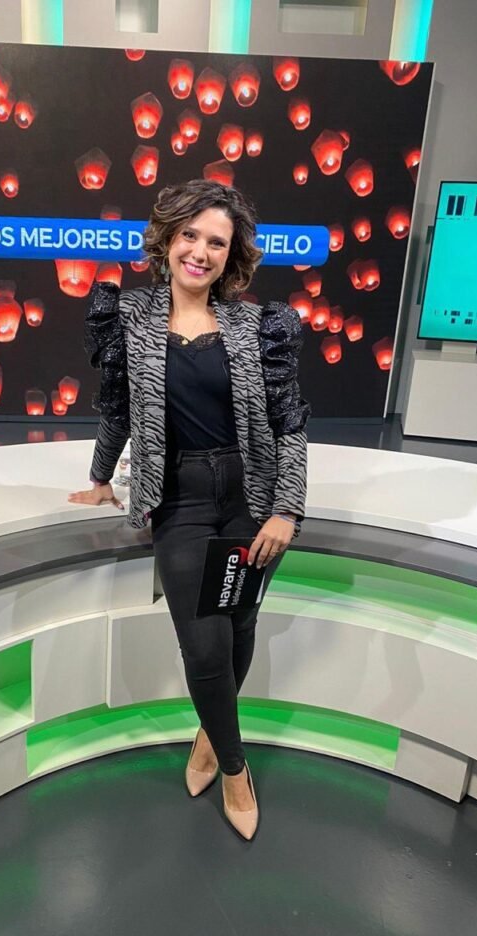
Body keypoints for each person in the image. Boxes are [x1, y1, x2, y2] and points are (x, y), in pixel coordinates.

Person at [68, 179, 310, 840]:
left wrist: (286, 511)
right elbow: (118, 409)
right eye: (191, 236)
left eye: (216, 242)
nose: (200, 252)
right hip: (180, 500)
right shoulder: (131, 316)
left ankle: (209, 734)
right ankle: (235, 768)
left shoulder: (255, 326)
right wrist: (99, 477)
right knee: (204, 646)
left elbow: (289, 426)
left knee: (239, 625)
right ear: (169, 240)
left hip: (250, 496)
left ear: (231, 256)